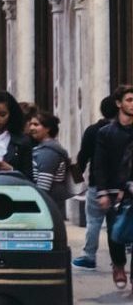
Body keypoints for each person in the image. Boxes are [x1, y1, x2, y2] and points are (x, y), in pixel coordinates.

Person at [88, 85, 133, 288]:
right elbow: (99, 163)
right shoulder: (106, 132)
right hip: (114, 191)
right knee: (116, 232)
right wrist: (102, 191)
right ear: (119, 103)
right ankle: (118, 264)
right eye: (129, 100)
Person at [72, 95, 119, 270]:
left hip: (97, 184)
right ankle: (117, 260)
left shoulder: (93, 130)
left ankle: (89, 256)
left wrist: (77, 180)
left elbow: (83, 156)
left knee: (94, 222)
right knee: (116, 222)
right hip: (119, 186)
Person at [26, 111, 71, 224]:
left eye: (36, 125)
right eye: (31, 124)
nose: (31, 128)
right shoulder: (44, 149)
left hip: (48, 205)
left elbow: (43, 186)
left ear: (48, 129)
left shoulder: (48, 152)